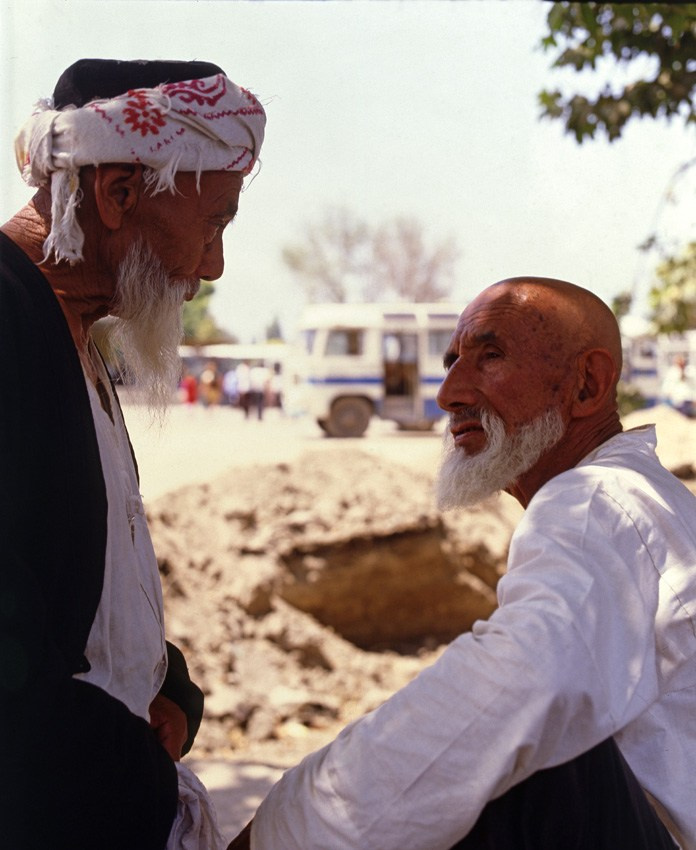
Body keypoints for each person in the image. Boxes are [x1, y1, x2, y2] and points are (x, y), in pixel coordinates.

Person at [228, 277, 695, 850]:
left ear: (587, 384)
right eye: (452, 362)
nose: (449, 392)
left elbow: (520, 689)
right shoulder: (634, 494)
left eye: (489, 357)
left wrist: (284, 828)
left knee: (510, 747)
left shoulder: (596, 499)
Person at [0, 58, 265, 849]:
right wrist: (124, 768)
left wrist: (168, 687)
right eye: (214, 222)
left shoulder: (82, 334)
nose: (212, 266)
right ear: (117, 193)